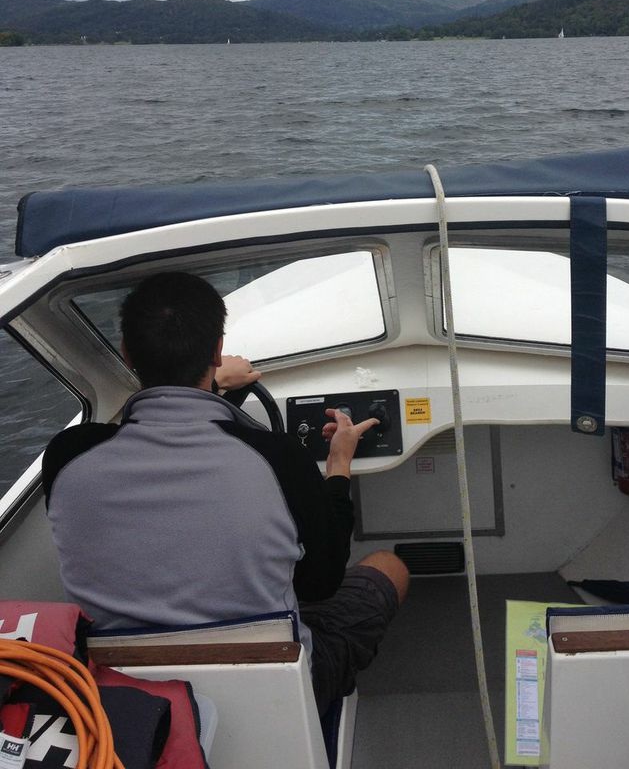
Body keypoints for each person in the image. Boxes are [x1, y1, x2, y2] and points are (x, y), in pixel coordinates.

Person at [42, 271, 408, 715]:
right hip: (274, 687)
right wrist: (338, 467)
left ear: (126, 353)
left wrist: (213, 386)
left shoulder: (68, 456)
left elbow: (137, 432)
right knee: (388, 566)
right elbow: (321, 583)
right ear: (217, 351)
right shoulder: (279, 458)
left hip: (123, 696)